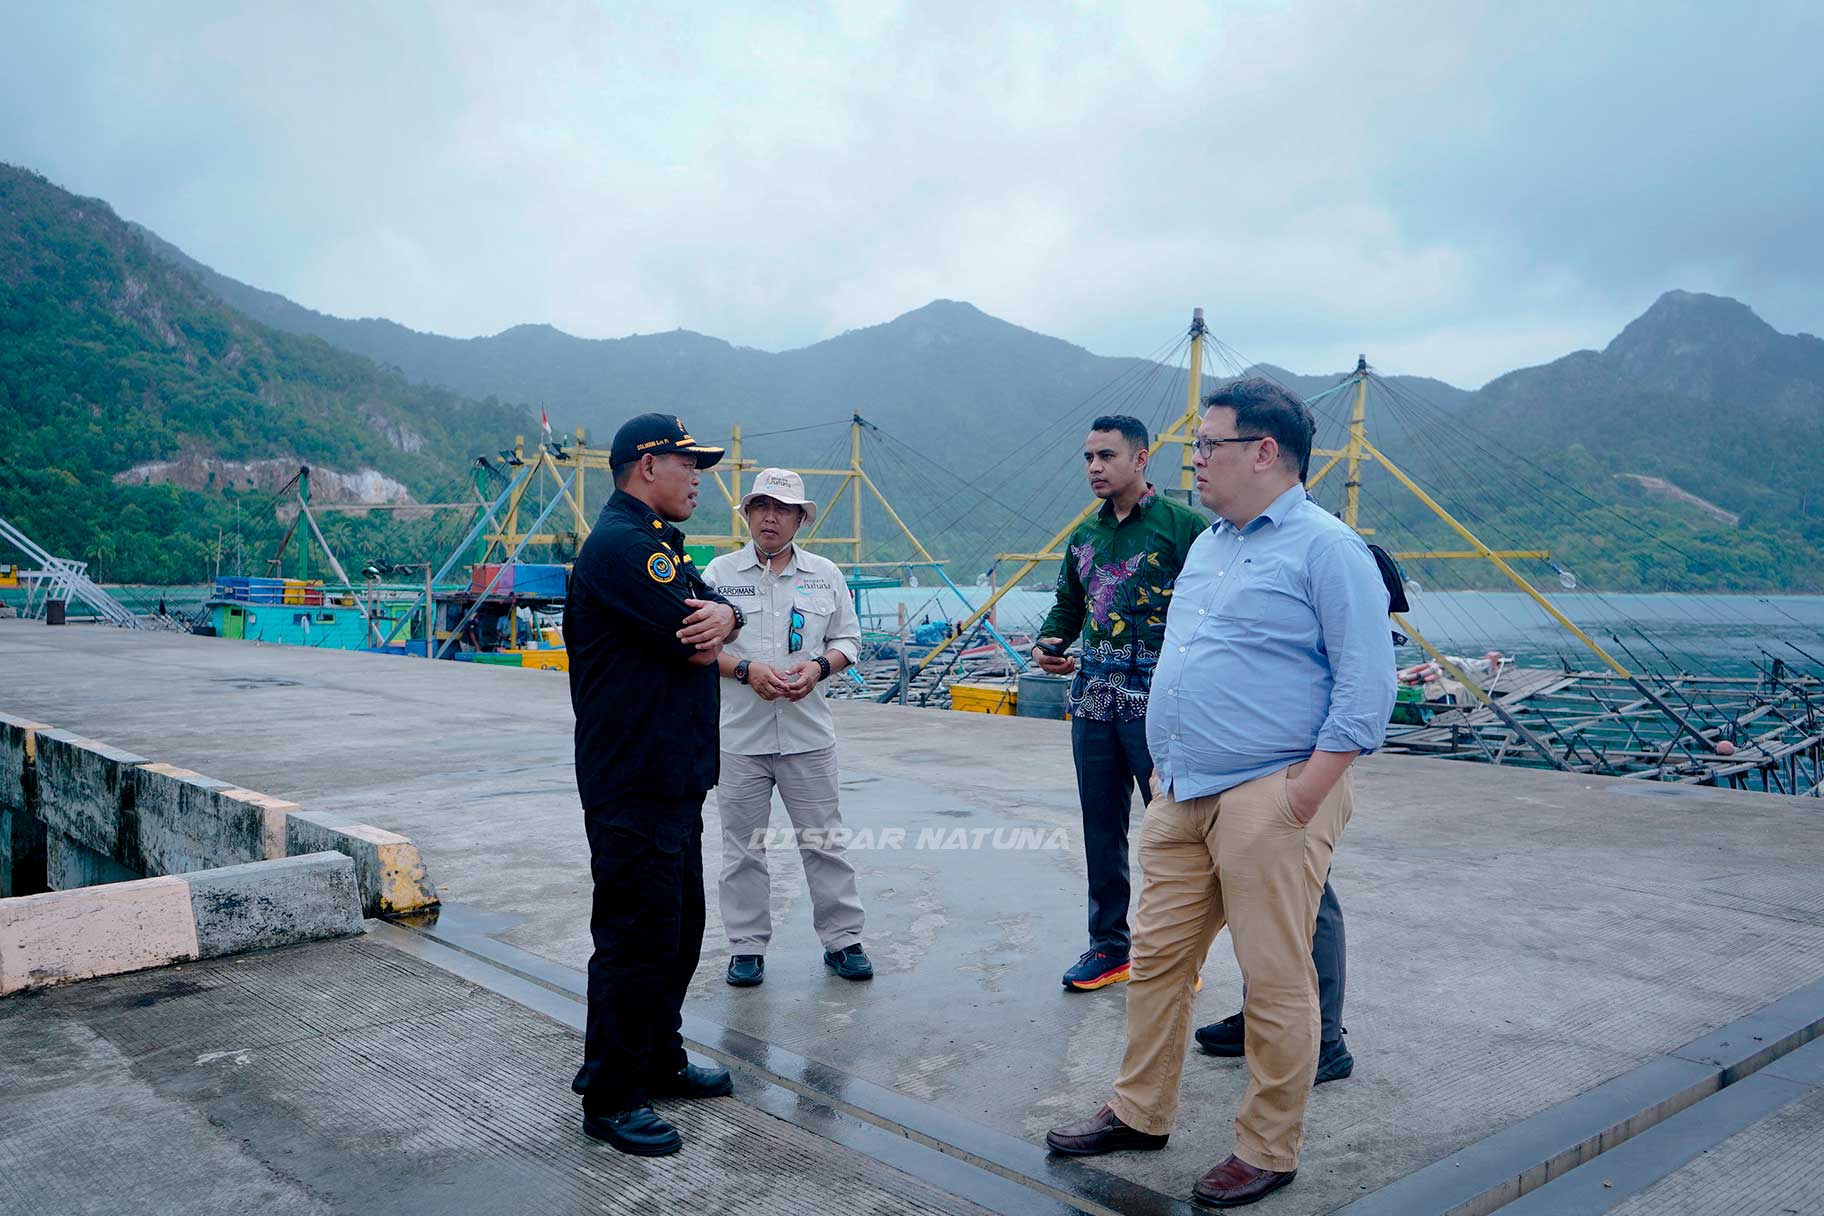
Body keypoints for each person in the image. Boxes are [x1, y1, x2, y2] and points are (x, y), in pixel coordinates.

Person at [1045, 380, 1396, 1209]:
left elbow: (1366, 687)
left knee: (1274, 978)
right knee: (1158, 962)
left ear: (1264, 452)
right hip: (1182, 790)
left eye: (1208, 445)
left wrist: (1304, 794)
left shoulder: (1328, 549)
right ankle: (1140, 1110)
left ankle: (1267, 1147)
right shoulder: (1209, 545)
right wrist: (1165, 769)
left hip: (1271, 792)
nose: (1194, 460)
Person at [563, 412, 746, 1157]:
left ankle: (658, 1058)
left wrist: (728, 613)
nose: (698, 479)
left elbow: (716, 613)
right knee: (635, 939)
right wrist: (721, 621)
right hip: (634, 776)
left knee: (675, 929)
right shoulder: (624, 546)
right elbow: (694, 637)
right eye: (688, 464)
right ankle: (612, 1095)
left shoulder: (656, 543)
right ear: (647, 466)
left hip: (670, 776)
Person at [1033, 414, 1206, 992]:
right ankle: (1109, 947)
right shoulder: (1085, 535)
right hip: (1093, 703)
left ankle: (1176, 953)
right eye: (1088, 457)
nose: (1094, 467)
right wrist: (1049, 644)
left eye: (1106, 456)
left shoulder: (1185, 529)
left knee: (1173, 830)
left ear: (1141, 458)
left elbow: (1212, 611)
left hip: (1162, 708)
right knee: (1101, 828)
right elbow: (1069, 604)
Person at [703, 468, 871, 987]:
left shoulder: (825, 575)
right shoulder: (718, 575)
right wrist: (744, 671)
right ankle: (746, 947)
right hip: (739, 738)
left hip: (808, 736)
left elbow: (849, 641)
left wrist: (819, 668)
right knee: (742, 848)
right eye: (761, 506)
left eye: (782, 509)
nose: (770, 517)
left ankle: (843, 941)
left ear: (801, 519)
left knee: (824, 842)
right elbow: (701, 648)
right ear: (748, 514)